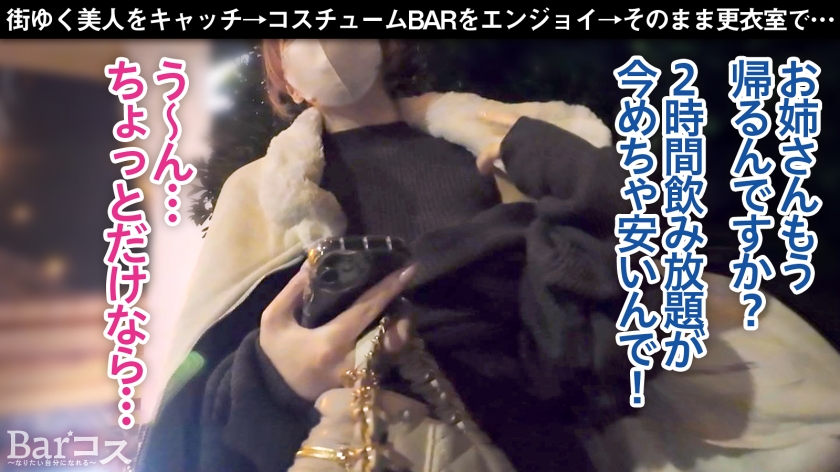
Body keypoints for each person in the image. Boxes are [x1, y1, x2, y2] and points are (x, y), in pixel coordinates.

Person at [134, 40, 840, 472]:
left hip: (546, 430)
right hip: (376, 433)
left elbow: (649, 231)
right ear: (283, 79)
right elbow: (199, 404)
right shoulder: (258, 191)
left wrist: (537, 152)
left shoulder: (493, 134)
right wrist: (274, 376)